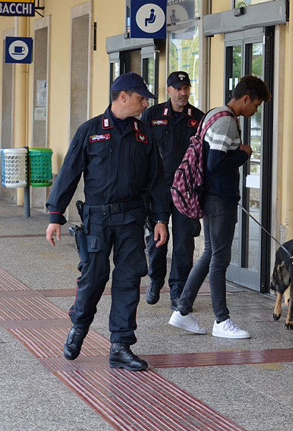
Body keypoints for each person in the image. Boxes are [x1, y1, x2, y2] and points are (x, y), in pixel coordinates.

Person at [45, 72, 169, 371]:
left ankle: (121, 346)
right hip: (98, 219)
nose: (144, 104)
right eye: (141, 98)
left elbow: (157, 181)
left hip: (131, 219)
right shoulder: (90, 131)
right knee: (93, 278)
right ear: (122, 96)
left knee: (128, 281)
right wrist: (54, 215)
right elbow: (69, 173)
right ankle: (78, 328)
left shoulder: (144, 135)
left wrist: (161, 219)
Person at [168, 75, 270, 339]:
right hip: (219, 199)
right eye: (256, 105)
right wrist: (244, 154)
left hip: (210, 196)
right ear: (246, 98)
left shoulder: (214, 113)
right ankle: (221, 320)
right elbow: (216, 163)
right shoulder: (226, 121)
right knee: (220, 259)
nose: (255, 111)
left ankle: (182, 310)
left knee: (209, 254)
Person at [141, 71, 204, 309]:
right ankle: (156, 280)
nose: (183, 92)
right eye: (178, 88)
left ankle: (178, 291)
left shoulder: (197, 117)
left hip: (186, 190)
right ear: (168, 90)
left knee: (183, 243)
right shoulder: (153, 115)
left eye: (186, 87)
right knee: (157, 240)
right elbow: (142, 149)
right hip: (157, 188)